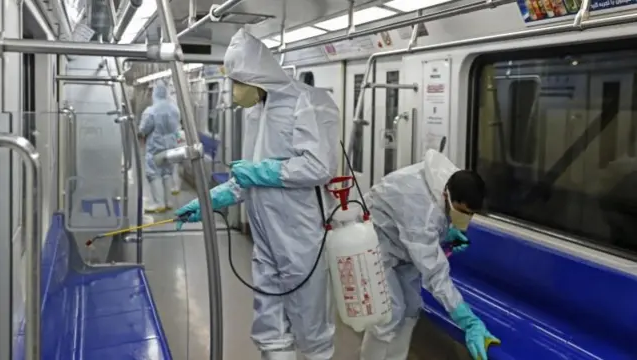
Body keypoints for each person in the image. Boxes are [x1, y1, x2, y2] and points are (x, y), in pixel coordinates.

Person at [175, 28, 340, 360]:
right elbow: (247, 175)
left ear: (258, 79)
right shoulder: (255, 113)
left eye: (238, 82)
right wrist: (210, 200)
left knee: (311, 331)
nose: (233, 91)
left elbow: (318, 167)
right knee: (269, 328)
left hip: (300, 236)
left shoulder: (303, 102)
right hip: (265, 236)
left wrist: (265, 171)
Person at [360, 149, 500, 360]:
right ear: (447, 196)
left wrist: (446, 235)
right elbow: (435, 273)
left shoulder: (452, 182)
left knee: (410, 310)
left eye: (471, 214)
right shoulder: (419, 205)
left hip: (402, 245)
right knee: (388, 315)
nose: (466, 218)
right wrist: (467, 320)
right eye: (462, 212)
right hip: (376, 245)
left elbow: (429, 229)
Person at [139, 80, 180, 213]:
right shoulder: (175, 109)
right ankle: (168, 202)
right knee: (167, 173)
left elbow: (143, 129)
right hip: (171, 147)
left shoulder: (151, 111)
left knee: (153, 174)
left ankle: (159, 203)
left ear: (155, 94)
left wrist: (142, 133)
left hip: (156, 147)